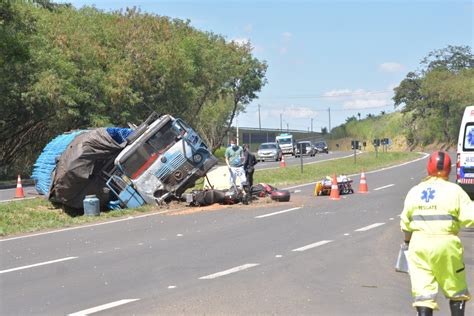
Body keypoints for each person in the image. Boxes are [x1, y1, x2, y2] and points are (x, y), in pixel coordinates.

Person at [400, 151, 474, 316]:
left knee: (424, 294)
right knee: (456, 290)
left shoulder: (415, 191)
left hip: (418, 245)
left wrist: (407, 243)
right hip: (446, 244)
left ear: (428, 168)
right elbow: (470, 217)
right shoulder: (455, 191)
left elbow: (405, 224)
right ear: (449, 169)